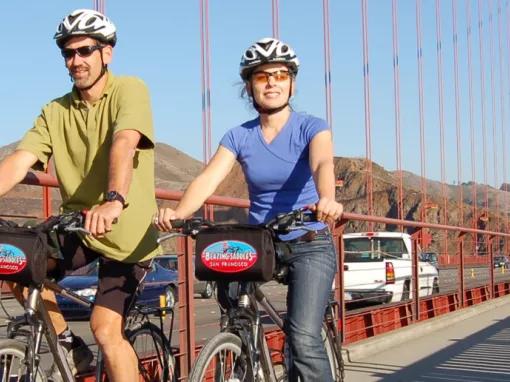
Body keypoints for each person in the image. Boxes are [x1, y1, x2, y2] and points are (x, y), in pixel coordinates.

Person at [155, 37, 343, 381]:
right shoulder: (238, 136)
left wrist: (326, 198)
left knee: (302, 336)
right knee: (236, 313)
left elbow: (322, 164)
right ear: (249, 86)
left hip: (308, 240)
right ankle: (247, 360)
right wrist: (179, 212)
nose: (272, 82)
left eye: (280, 75)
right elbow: (208, 178)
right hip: (261, 242)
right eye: (262, 76)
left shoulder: (311, 127)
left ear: (292, 83)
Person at [0, 9, 161, 381]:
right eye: (68, 53)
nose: (76, 61)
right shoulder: (54, 110)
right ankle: (71, 349)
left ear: (107, 53)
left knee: (106, 329)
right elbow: (19, 160)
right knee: (17, 262)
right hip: (79, 223)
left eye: (85, 51)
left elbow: (124, 142)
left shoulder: (130, 89)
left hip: (127, 234)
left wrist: (114, 199)